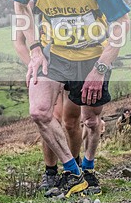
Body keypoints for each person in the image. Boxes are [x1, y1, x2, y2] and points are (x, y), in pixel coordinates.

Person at [10, 0, 131, 197]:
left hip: (94, 57)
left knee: (90, 120)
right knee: (39, 111)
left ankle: (87, 165)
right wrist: (36, 50)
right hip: (57, 55)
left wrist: (99, 69)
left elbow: (122, 23)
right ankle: (72, 173)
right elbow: (21, 9)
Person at [13, 29, 82, 191]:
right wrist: (39, 69)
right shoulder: (26, 10)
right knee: (51, 118)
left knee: (71, 122)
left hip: (73, 64)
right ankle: (51, 171)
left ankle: (74, 168)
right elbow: (18, 42)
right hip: (48, 68)